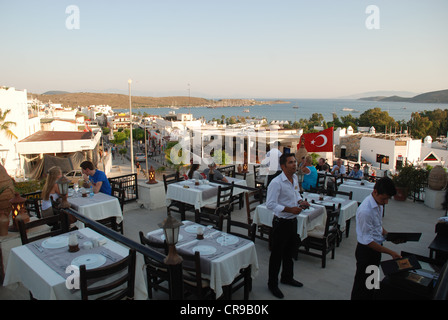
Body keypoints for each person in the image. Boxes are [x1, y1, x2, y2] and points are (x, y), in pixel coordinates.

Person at [266, 153, 310, 299]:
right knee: (277, 255)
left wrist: (301, 202)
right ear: (283, 166)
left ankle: (287, 277)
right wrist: (289, 209)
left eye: (295, 162)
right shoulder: (276, 182)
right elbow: (270, 204)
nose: (295, 164)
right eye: (291, 162)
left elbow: (296, 194)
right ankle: (272, 284)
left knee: (290, 252)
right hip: (281, 223)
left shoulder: (295, 178)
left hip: (293, 221)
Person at [351, 177, 402, 300]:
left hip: (376, 249)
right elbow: (368, 241)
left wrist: (388, 236)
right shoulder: (365, 211)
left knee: (372, 283)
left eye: (387, 199)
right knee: (361, 286)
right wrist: (391, 253)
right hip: (366, 252)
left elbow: (377, 225)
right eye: (384, 198)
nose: (386, 202)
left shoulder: (378, 204)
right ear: (375, 192)